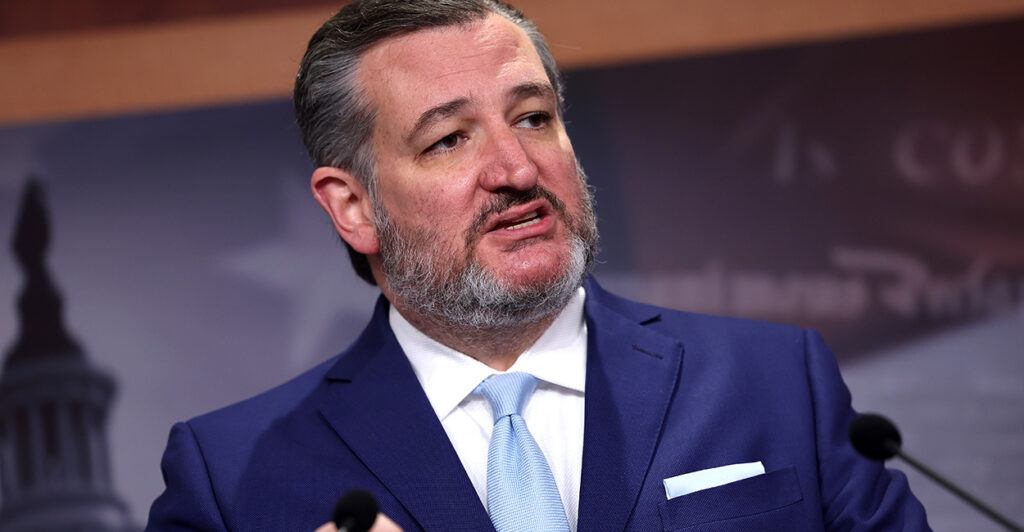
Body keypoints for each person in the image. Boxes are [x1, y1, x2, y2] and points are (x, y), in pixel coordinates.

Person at [146, 1, 930, 531]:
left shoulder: (773, 383)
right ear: (353, 207)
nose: (517, 169)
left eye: (533, 117)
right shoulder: (232, 476)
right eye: (448, 139)